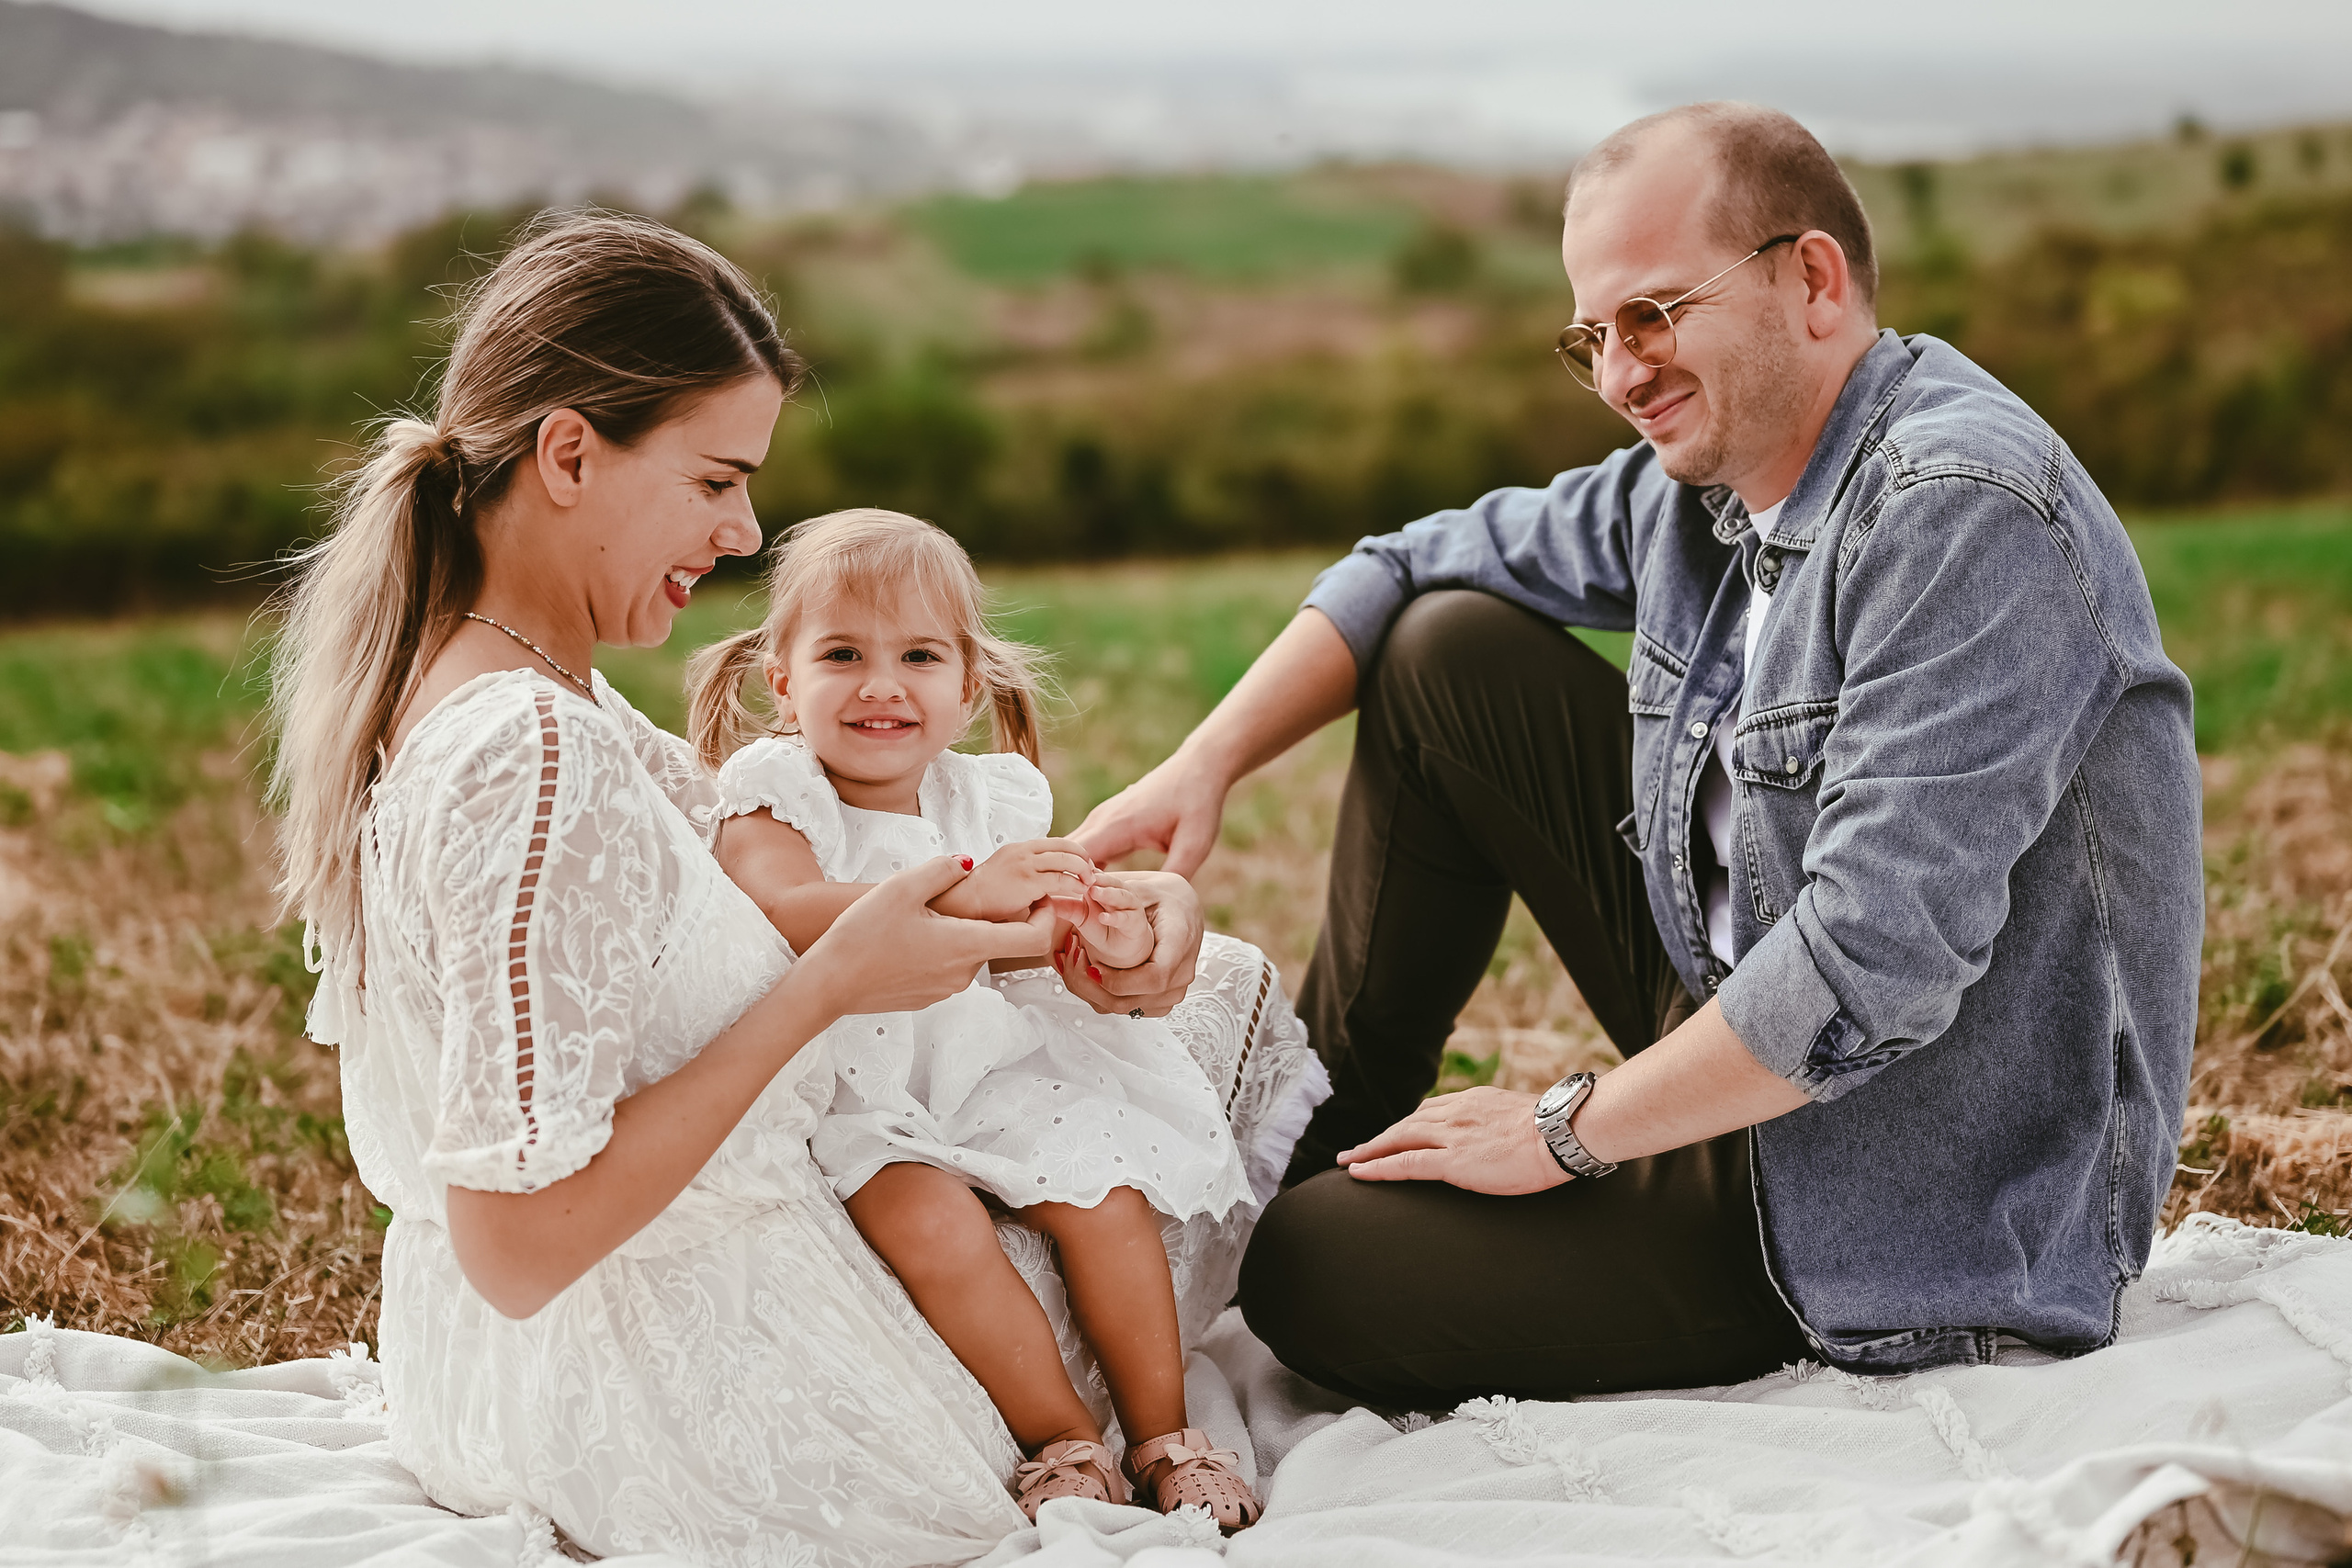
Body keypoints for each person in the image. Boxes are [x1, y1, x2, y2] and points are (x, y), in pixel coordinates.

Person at [1074, 102, 2203, 1404]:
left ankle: (1313, 1207)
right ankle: (1312, 1129)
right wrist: (1202, 764)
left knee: (1310, 1271)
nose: (1619, 375)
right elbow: (1400, 565)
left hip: (1905, 1191)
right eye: (1594, 336)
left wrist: (1564, 1131)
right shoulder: (1711, 484)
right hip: (1738, 1013)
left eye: (1655, 314)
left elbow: (1872, 962)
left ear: (1814, 280)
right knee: (1447, 650)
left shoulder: (1960, 509)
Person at [267, 212, 1214, 1566]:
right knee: (1157, 1152)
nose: (745, 526)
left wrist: (1136, 915)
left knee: (1202, 998)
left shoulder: (527, 683)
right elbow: (521, 1244)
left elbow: (787, 885)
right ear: (571, 453)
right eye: (717, 479)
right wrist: (832, 984)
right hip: (681, 1399)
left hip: (513, 1371)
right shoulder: (525, 750)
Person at [686, 508, 1319, 1529]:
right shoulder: (776, 791)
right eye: (842, 653)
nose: (882, 684)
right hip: (855, 1081)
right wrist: (966, 893)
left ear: (966, 685)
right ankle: (1063, 1435)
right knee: (927, 1221)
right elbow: (784, 911)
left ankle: (1161, 1432)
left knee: (1101, 1191)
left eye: (920, 655)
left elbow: (1045, 939)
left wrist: (1100, 935)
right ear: (783, 680)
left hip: (983, 1064)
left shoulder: (986, 797)